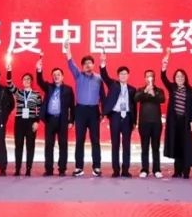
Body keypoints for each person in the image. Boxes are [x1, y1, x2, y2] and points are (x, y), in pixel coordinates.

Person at [65, 42, 104, 177]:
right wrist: (68, 49)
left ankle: (97, 167)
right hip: (80, 111)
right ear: (82, 66)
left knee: (95, 140)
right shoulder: (78, 75)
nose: (88, 65)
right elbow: (70, 62)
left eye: (90, 63)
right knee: (79, 140)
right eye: (85, 63)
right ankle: (79, 167)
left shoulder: (99, 78)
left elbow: (102, 96)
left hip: (94, 111)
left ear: (93, 65)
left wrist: (102, 112)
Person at [100, 54, 137, 178]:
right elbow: (104, 76)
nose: (123, 76)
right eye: (121, 74)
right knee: (115, 144)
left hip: (127, 118)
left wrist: (134, 121)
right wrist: (103, 63)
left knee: (126, 145)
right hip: (115, 116)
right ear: (118, 75)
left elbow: (134, 106)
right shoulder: (113, 84)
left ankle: (125, 170)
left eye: (125, 74)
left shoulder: (132, 89)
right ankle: (116, 170)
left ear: (128, 75)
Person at [36, 57, 75, 177]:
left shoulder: (68, 89)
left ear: (62, 76)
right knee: (49, 145)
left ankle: (62, 169)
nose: (56, 76)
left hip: (62, 120)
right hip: (50, 119)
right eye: (54, 75)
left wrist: (71, 120)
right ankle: (49, 169)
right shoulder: (49, 87)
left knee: (63, 145)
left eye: (58, 75)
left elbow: (72, 106)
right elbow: (40, 81)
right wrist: (39, 70)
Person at [161, 51, 192, 179]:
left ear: (185, 78)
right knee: (176, 145)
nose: (179, 78)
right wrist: (164, 65)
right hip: (175, 122)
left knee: (186, 146)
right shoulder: (172, 87)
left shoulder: (190, 90)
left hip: (186, 122)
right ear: (175, 78)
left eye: (181, 76)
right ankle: (177, 171)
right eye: (177, 76)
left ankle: (186, 171)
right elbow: (163, 78)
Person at [7, 58, 42, 176]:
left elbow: (39, 109)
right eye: (24, 79)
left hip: (31, 121)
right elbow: (9, 84)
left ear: (31, 81)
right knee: (18, 145)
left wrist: (37, 122)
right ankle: (17, 168)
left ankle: (28, 168)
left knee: (30, 145)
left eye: (28, 79)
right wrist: (9, 71)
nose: (26, 81)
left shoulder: (36, 94)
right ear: (22, 81)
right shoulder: (18, 93)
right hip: (19, 121)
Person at [135, 69, 166, 178]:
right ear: (145, 78)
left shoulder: (159, 90)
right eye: (147, 76)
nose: (149, 78)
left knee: (155, 147)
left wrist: (153, 93)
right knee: (144, 147)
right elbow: (136, 98)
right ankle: (144, 169)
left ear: (154, 78)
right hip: (144, 123)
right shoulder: (140, 90)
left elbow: (162, 99)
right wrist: (145, 91)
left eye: (151, 76)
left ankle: (156, 169)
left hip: (156, 123)